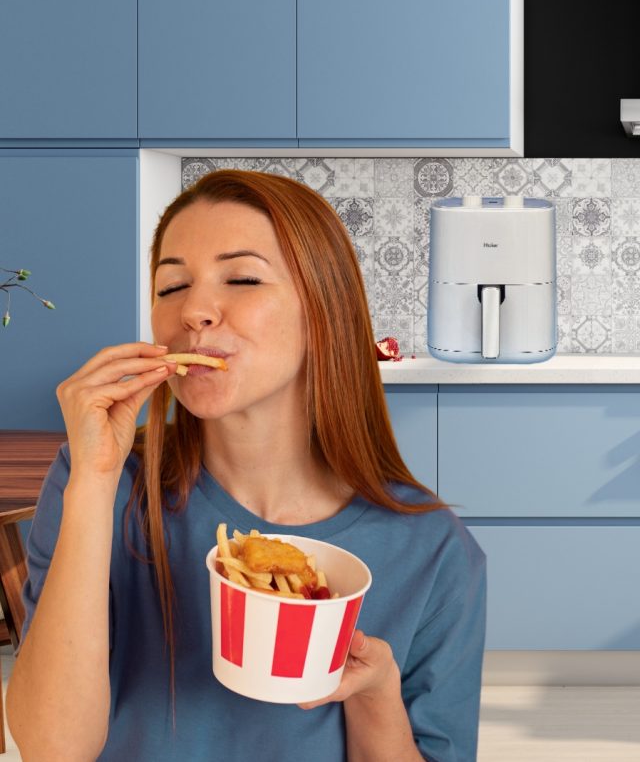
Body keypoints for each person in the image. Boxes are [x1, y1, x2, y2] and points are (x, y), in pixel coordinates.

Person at [6, 169, 486, 762]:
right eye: (170, 286)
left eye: (241, 277)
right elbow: (52, 749)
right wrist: (93, 483)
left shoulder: (432, 550)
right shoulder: (103, 483)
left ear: (324, 312)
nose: (195, 311)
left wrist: (376, 693)